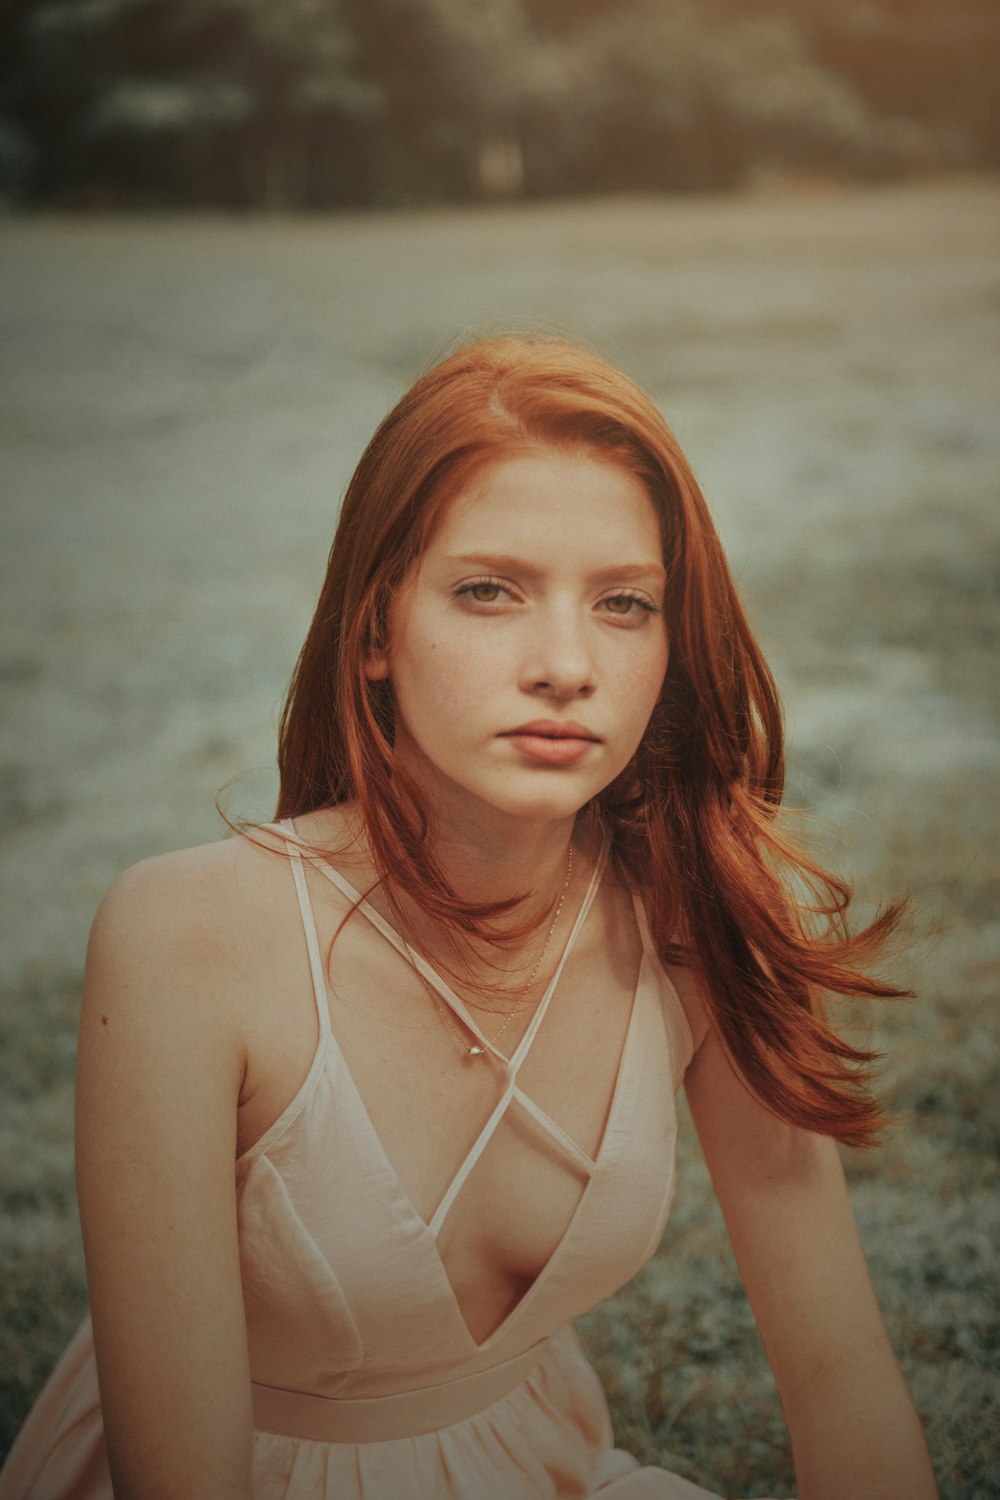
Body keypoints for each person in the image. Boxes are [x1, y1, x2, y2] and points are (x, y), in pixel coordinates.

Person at [0, 332, 938, 1500]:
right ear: (376, 629)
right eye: (488, 591)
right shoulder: (186, 940)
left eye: (623, 604)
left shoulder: (697, 915)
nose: (564, 664)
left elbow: (840, 1375)